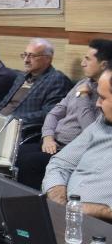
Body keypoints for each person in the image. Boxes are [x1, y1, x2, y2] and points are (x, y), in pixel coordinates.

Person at [16, 39, 112, 189]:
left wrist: (83, 97)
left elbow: (90, 129)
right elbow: (54, 113)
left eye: (88, 59)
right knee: (16, 153)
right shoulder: (82, 83)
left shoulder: (104, 94)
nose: (82, 63)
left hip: (69, 149)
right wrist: (47, 136)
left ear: (104, 65)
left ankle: (35, 201)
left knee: (29, 162)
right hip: (52, 142)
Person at [42, 67, 112, 221]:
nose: (97, 104)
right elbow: (59, 164)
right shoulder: (101, 123)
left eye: (102, 97)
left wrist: (102, 211)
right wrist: (58, 198)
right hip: (64, 215)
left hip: (100, 227)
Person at [0, 38, 73, 131]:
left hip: (20, 128)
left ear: (47, 59)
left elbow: (49, 113)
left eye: (32, 56)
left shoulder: (57, 79)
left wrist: (14, 119)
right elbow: (3, 104)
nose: (26, 60)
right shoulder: (22, 77)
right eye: (25, 55)